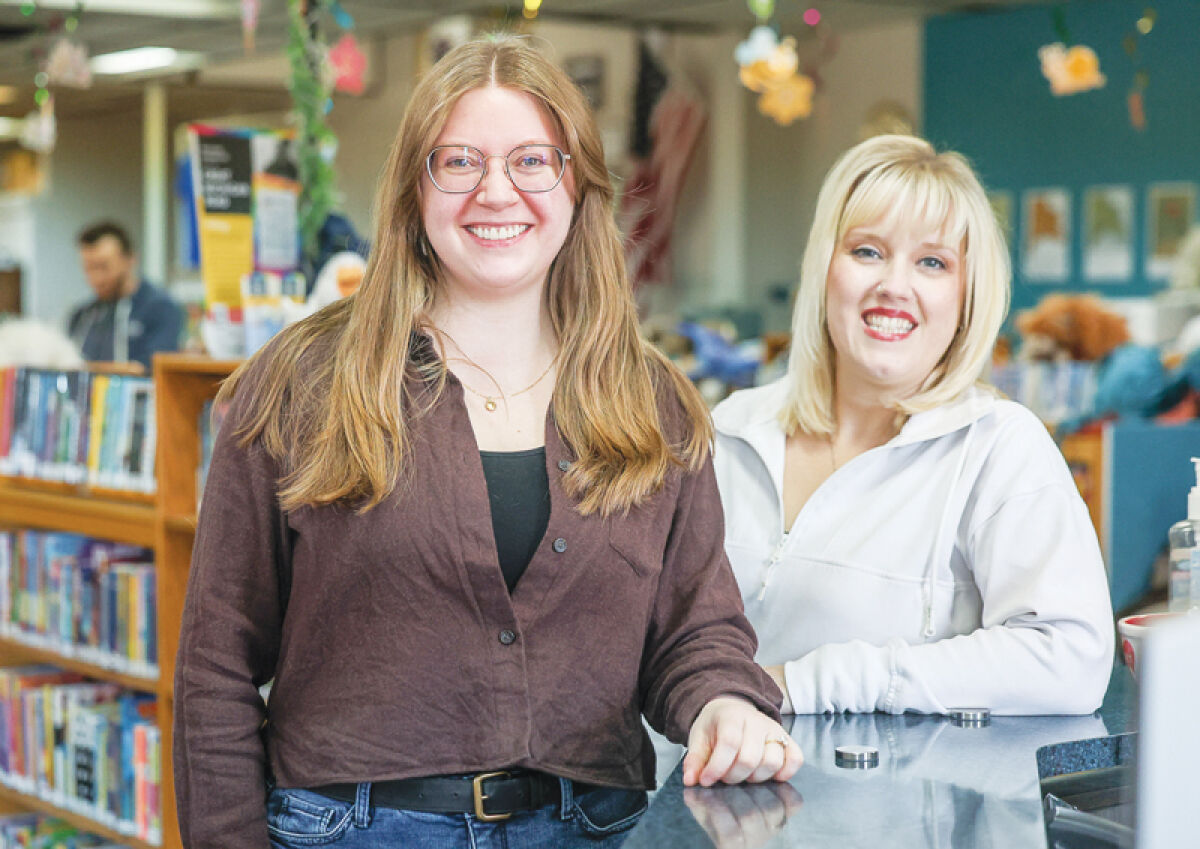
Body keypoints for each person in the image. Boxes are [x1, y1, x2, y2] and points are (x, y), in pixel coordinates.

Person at [173, 35, 800, 849]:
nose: (496, 190)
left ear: (577, 184)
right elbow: (216, 665)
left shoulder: (652, 402)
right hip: (354, 830)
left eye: (532, 161)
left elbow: (695, 631)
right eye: (459, 161)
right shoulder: (302, 383)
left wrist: (723, 701)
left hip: (596, 828)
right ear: (415, 187)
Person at [713, 134, 1114, 716]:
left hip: (889, 778)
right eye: (867, 251)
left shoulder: (998, 447)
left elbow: (1070, 660)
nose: (894, 286)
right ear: (824, 269)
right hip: (692, 773)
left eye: (932, 262)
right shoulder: (728, 433)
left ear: (966, 295)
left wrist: (803, 684)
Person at [68, 221, 184, 371]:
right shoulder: (83, 315)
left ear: (130, 259)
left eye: (104, 266)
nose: (97, 278)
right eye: (89, 268)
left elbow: (150, 369)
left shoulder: (161, 308)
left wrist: (79, 368)